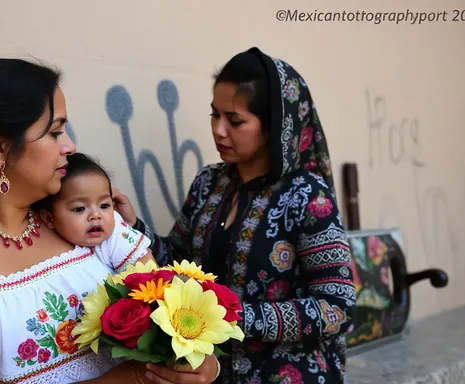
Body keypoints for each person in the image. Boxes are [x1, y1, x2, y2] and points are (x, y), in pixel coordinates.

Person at [0, 57, 219, 384]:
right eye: (55, 132)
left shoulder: (74, 214)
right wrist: (135, 377)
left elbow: (170, 308)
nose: (69, 146)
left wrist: (200, 362)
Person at [112, 47, 356, 383]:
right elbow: (179, 261)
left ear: (273, 125)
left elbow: (337, 306)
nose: (219, 130)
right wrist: (133, 228)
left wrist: (232, 317)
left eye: (235, 121)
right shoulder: (209, 183)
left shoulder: (306, 195)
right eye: (214, 115)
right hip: (210, 375)